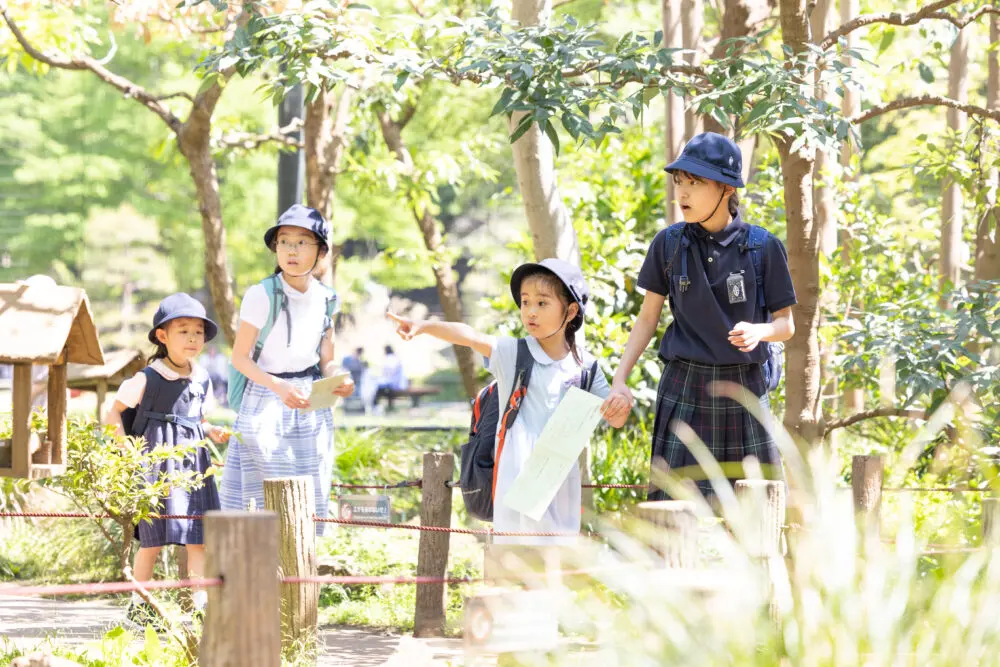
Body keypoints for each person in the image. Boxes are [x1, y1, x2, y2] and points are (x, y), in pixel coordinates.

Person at [601, 132, 797, 503]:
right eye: (679, 182)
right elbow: (647, 319)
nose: (682, 193)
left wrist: (760, 331)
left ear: (726, 189)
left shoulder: (762, 247)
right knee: (672, 513)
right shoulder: (668, 244)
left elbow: (786, 325)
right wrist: (620, 378)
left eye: (695, 183)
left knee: (757, 513)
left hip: (746, 389)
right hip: (683, 386)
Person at [388, 259, 627, 545]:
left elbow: (615, 418)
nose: (530, 312)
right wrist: (424, 326)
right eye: (525, 302)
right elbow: (470, 336)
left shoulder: (586, 367)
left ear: (571, 310)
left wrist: (621, 404)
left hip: (559, 486)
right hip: (515, 484)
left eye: (542, 303)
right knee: (514, 566)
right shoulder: (513, 353)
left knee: (556, 567)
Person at [218, 205, 355, 532]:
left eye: (302, 242)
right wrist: (278, 387)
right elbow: (240, 357)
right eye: (284, 242)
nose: (291, 250)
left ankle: (300, 577)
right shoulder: (261, 294)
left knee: (309, 494)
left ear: (321, 251)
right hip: (266, 399)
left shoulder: (326, 298)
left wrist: (339, 379)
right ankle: (257, 575)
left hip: (310, 403)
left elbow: (325, 357)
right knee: (265, 497)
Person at [103, 293, 228, 625]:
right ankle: (139, 605)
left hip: (195, 464)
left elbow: (198, 419)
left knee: (198, 535)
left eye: (198, 332)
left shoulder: (202, 377)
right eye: (183, 330)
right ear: (162, 336)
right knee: (153, 538)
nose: (192, 338)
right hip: (158, 463)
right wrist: (127, 452)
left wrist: (212, 431)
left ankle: (200, 606)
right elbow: (111, 412)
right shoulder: (148, 377)